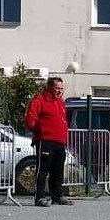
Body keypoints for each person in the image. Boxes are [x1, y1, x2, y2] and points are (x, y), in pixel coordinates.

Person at [25, 77, 72, 207]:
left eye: (61, 89)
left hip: (59, 141)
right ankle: (39, 197)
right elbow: (30, 121)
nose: (59, 91)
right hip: (45, 141)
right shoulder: (39, 101)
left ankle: (57, 196)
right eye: (57, 88)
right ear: (50, 87)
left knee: (58, 171)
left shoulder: (60, 102)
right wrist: (41, 130)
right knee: (42, 170)